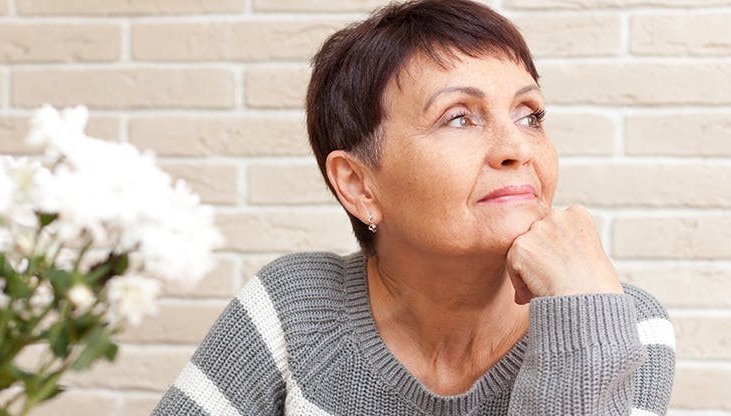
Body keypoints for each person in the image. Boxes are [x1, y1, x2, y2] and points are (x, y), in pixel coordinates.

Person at [151, 0, 675, 414]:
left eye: (530, 114)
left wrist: (582, 314)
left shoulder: (622, 324)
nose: (516, 148)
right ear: (358, 185)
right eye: (459, 118)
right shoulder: (294, 310)